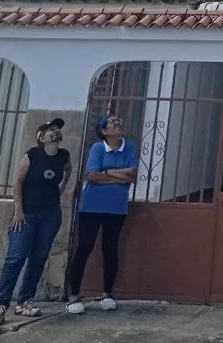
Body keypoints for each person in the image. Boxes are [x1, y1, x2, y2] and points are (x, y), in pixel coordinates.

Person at [0, 118, 72, 324]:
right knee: (16, 258)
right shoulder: (33, 154)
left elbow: (69, 170)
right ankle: (1, 304)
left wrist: (62, 189)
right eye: (51, 130)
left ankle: (24, 301)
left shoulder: (63, 155)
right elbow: (18, 181)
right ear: (41, 136)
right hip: (27, 215)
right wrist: (18, 210)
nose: (55, 132)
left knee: (39, 257)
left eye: (57, 129)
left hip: (50, 215)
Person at [66, 114, 138, 315]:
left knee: (110, 249)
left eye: (118, 121)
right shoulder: (98, 148)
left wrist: (106, 172)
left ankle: (108, 293)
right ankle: (74, 295)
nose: (117, 123)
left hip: (116, 208)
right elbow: (92, 176)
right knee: (84, 247)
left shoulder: (129, 147)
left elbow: (132, 174)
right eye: (112, 122)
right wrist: (116, 175)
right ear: (105, 131)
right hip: (91, 207)